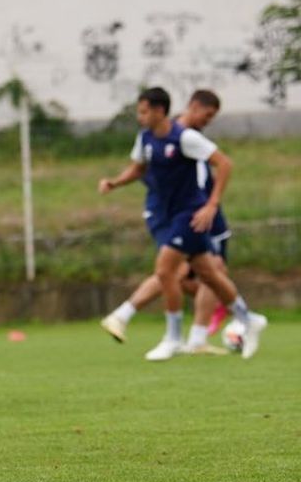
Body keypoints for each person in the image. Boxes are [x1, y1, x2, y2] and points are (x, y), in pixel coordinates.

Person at [97, 87, 266, 361]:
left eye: (143, 112)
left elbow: (224, 164)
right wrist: (115, 183)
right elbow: (138, 168)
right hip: (167, 215)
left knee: (165, 271)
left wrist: (211, 205)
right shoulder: (145, 138)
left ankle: (173, 338)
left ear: (159, 111)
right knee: (209, 274)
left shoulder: (185, 137)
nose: (140, 117)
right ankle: (248, 318)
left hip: (189, 214)